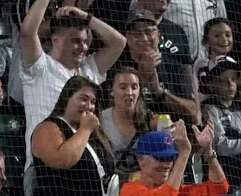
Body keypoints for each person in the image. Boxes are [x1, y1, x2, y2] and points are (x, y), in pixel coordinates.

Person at [19, 0, 126, 163]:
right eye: (75, 41)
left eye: (85, 41)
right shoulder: (40, 67)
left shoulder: (89, 69)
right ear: (56, 40)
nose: (83, 47)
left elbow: (119, 43)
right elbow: (27, 32)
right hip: (44, 163)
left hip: (86, 164)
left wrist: (86, 16)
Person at [117, 9, 199, 124]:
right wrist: (142, 78)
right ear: (127, 38)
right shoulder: (119, 66)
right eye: (136, 34)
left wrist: (159, 91)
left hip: (173, 135)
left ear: (158, 34)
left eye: (149, 32)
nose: (144, 38)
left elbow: (194, 114)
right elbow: (113, 111)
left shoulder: (174, 66)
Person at [201, 55, 241, 188]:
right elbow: (221, 147)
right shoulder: (210, 108)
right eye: (223, 81)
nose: (230, 85)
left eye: (233, 79)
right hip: (223, 174)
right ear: (213, 83)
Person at [100, 67, 152, 172]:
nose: (129, 92)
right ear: (112, 91)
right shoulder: (100, 120)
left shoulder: (150, 120)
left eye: (134, 87)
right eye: (123, 87)